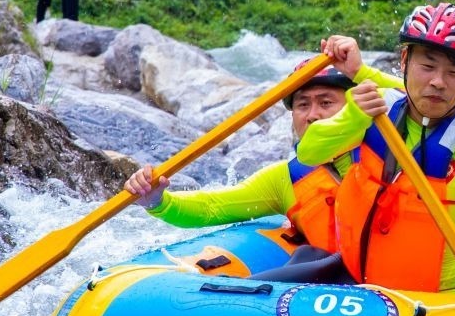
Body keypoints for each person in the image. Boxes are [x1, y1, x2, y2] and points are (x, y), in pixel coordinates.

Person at [291, 3, 455, 316]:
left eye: (453, 72)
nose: (438, 82)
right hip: (354, 287)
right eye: (428, 66)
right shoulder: (376, 109)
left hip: (431, 309)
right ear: (405, 61)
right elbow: (309, 153)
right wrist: (352, 115)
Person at [123, 36, 401, 255]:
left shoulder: (392, 145)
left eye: (326, 102)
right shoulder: (285, 179)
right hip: (343, 287)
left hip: (409, 288)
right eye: (303, 105)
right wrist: (158, 201)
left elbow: (425, 102)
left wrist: (363, 73)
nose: (312, 114)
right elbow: (213, 207)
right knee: (307, 261)